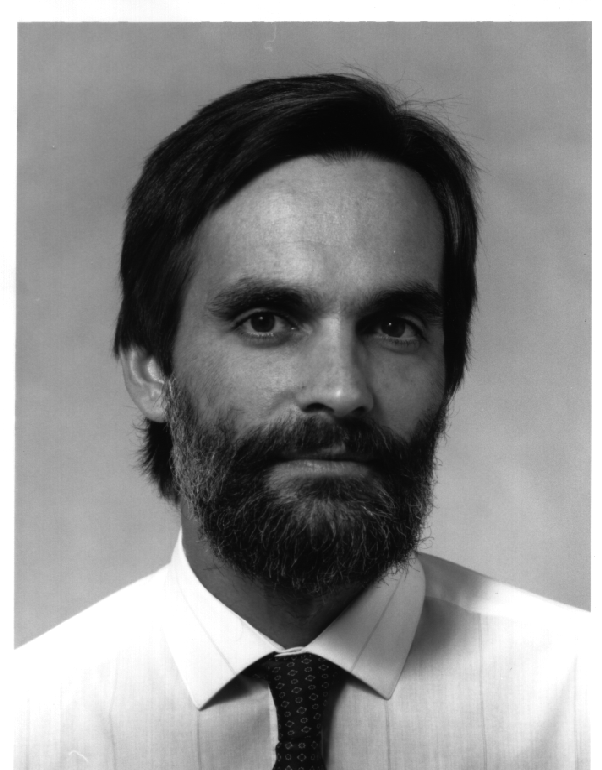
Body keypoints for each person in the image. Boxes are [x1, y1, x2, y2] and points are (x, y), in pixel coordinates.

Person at [15, 73, 588, 770]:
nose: (344, 390)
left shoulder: (581, 702)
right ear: (152, 371)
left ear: (449, 367)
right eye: (267, 321)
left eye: (394, 326)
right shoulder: (26, 726)